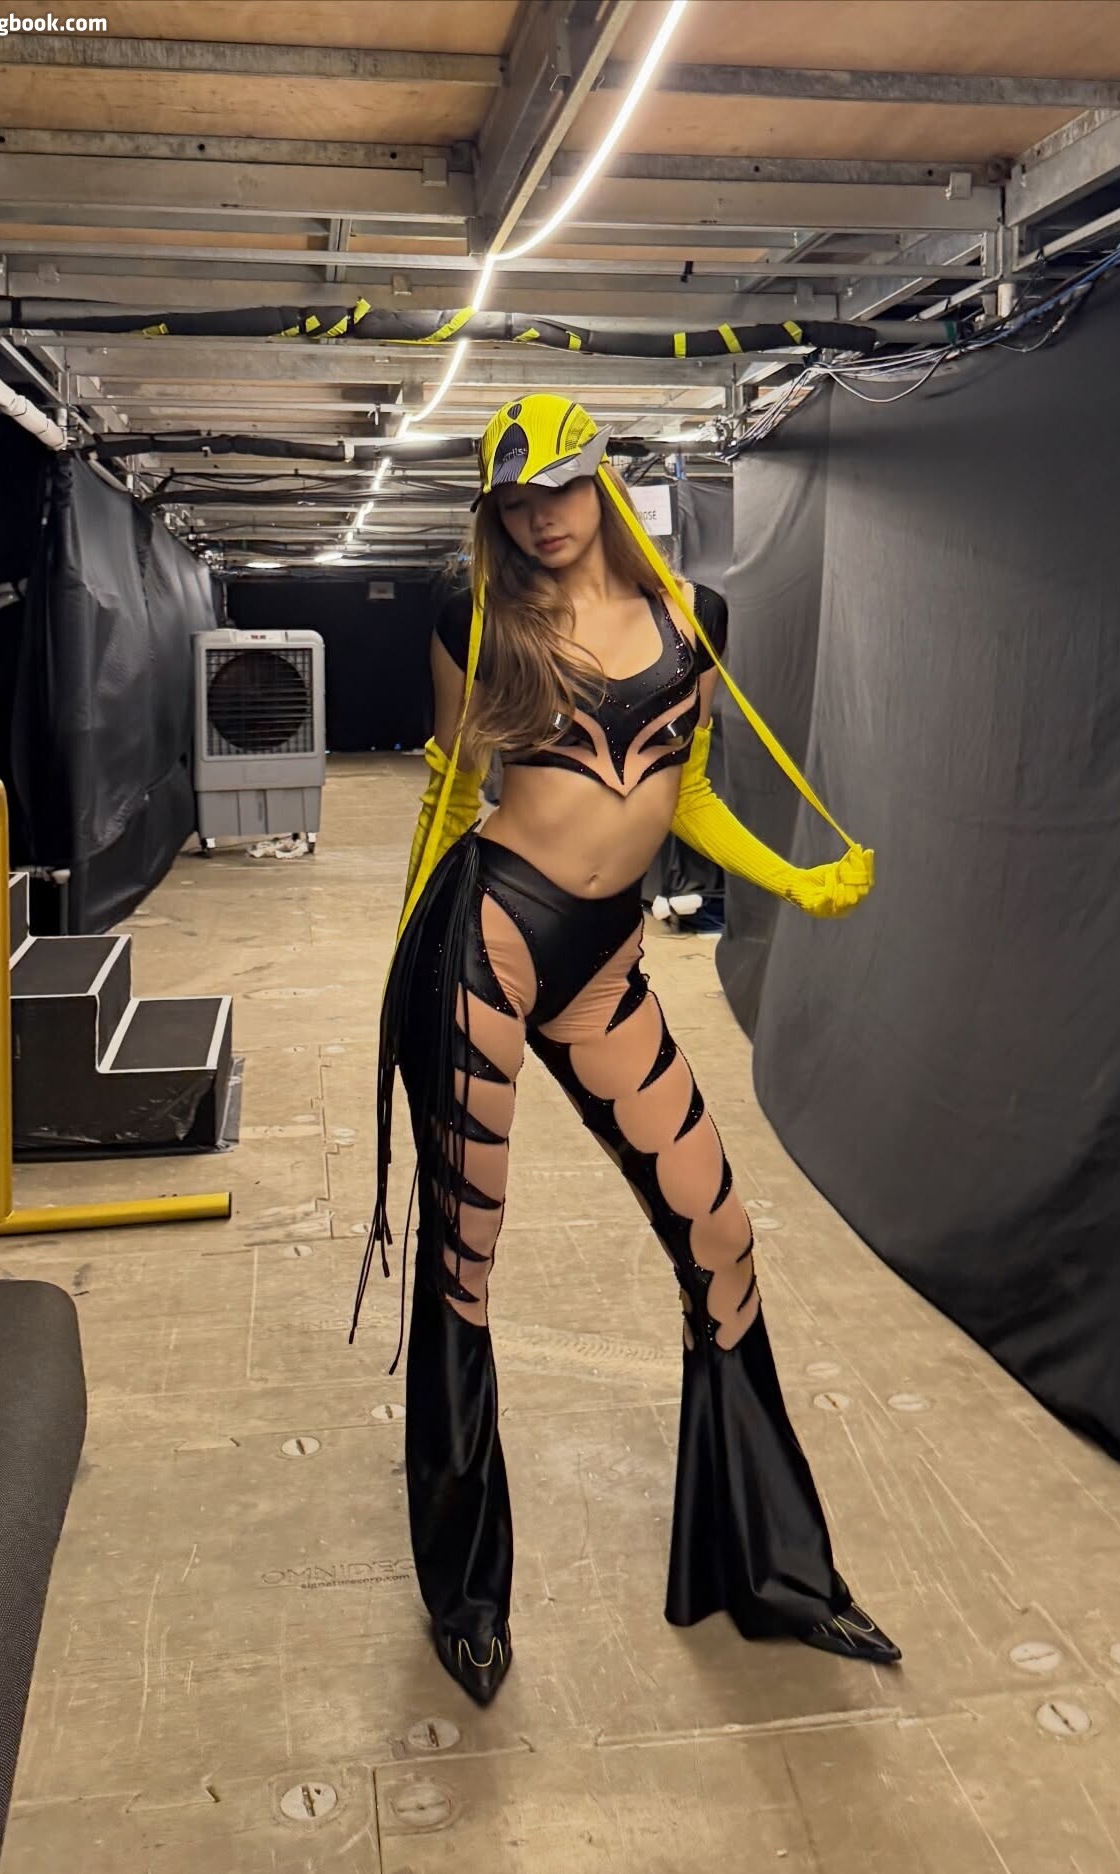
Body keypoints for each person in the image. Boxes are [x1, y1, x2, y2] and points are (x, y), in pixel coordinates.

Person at [352, 393, 899, 1706]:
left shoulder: (694, 620)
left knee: (722, 1238)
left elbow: (684, 788)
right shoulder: (475, 618)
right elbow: (455, 791)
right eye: (514, 501)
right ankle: (468, 1595)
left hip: (603, 960)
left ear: (601, 479)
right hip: (485, 942)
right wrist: (405, 955)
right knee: (464, 1263)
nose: (540, 517)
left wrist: (789, 877)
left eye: (558, 487)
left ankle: (773, 1569)